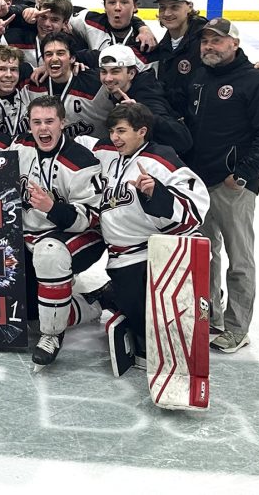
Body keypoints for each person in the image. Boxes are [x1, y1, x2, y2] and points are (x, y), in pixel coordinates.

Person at [177, 18, 259, 354]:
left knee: (240, 259)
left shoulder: (258, 82)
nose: (209, 46)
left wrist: (242, 175)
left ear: (234, 44)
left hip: (233, 186)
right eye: (205, 41)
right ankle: (211, 317)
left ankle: (238, 328)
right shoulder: (199, 77)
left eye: (217, 41)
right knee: (205, 256)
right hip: (199, 182)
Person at [88, 102, 209, 365]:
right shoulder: (106, 152)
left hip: (152, 251)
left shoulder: (161, 158)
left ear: (141, 131)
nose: (114, 137)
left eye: (121, 131)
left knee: (158, 330)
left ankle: (123, 301)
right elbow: (76, 144)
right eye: (112, 131)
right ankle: (114, 296)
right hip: (119, 256)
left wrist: (157, 193)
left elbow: (196, 204)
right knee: (138, 314)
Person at [10, 95, 105, 368]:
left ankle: (51, 335)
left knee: (49, 253)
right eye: (37, 122)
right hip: (31, 236)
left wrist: (52, 208)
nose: (43, 128)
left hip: (80, 235)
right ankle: (93, 302)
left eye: (49, 121)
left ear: (62, 123)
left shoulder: (82, 161)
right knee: (31, 316)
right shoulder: (20, 147)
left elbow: (91, 218)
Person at [95, 44, 192, 154]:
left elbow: (183, 140)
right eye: (103, 72)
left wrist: (140, 113)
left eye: (115, 71)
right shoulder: (121, 89)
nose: (108, 78)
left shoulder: (147, 96)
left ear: (131, 73)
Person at [22, 32, 110, 138]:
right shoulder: (34, 83)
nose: (54, 58)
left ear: (72, 58)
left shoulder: (96, 81)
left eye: (60, 53)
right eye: (49, 54)